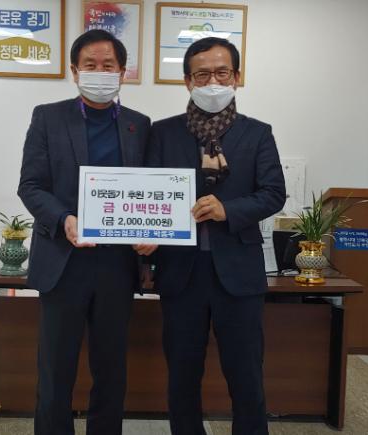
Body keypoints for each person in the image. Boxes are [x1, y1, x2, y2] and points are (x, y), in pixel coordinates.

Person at [144, 37, 286, 435]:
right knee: (182, 372)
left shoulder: (257, 133)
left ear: (236, 77)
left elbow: (273, 193)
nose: (213, 82)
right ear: (187, 81)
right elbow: (148, 191)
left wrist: (229, 210)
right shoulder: (163, 133)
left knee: (245, 372)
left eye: (222, 73)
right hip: (180, 271)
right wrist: (144, 240)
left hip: (238, 272)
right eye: (202, 74)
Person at [17, 29, 151, 435]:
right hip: (64, 260)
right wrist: (64, 219)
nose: (99, 72)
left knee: (111, 369)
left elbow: (152, 190)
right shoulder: (48, 117)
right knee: (55, 369)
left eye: (108, 65)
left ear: (123, 72)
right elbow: (31, 186)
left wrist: (153, 231)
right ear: (74, 71)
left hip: (117, 264)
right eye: (90, 65)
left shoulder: (140, 125)